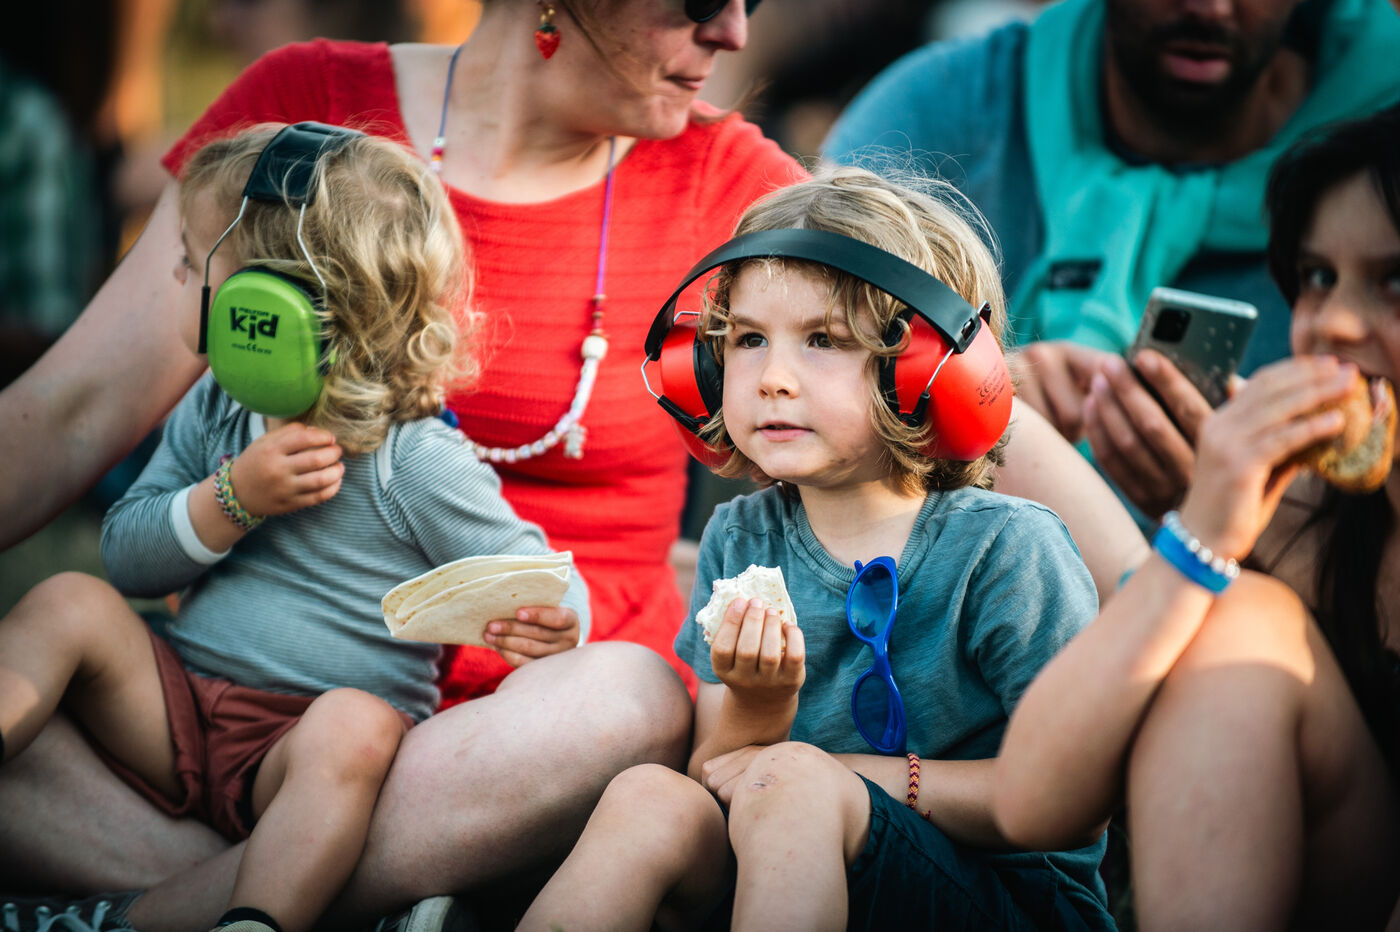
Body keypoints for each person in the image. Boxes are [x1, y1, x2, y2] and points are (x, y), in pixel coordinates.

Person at [0, 2, 1143, 926]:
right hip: (238, 704)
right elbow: (72, 409)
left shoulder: (738, 191)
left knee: (630, 700)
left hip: (527, 736)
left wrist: (1178, 587)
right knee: (37, 642)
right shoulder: (304, 124)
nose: (735, 31)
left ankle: (179, 908)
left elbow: (938, 372)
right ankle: (271, 900)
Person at [1, 122, 589, 932]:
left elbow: (537, 575)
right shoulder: (215, 406)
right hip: (174, 706)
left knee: (355, 728)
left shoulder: (412, 458)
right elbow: (127, 559)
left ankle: (255, 918)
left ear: (269, 306)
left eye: (192, 262)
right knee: (69, 600)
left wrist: (557, 619)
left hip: (300, 752)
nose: (176, 276)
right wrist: (228, 500)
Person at [519, 167, 1114, 932]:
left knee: (794, 782)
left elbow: (1076, 802)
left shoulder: (1009, 551)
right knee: (652, 798)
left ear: (928, 368)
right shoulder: (742, 539)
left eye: (823, 340)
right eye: (748, 340)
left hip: (1005, 901)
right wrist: (761, 706)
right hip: (789, 857)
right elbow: (717, 773)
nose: (772, 378)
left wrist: (845, 778)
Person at [993, 103, 1400, 928]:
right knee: (1232, 610)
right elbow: (1029, 805)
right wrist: (1205, 530)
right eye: (1318, 276)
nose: (1331, 323)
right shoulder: (1305, 514)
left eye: (1393, 281)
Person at [823, 0, 1400, 519]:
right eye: (1317, 276)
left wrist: (1226, 517)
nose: (1208, 7)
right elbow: (796, 380)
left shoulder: (1383, 130)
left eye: (1392, 280)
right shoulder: (931, 120)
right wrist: (965, 414)